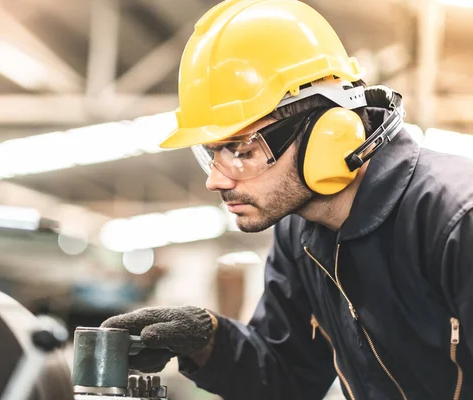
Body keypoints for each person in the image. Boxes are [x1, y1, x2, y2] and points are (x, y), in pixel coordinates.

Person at [101, 0, 473, 398]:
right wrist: (207, 341)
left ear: (331, 132)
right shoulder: (302, 237)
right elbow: (287, 376)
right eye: (211, 154)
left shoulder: (456, 219)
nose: (214, 181)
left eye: (241, 151)